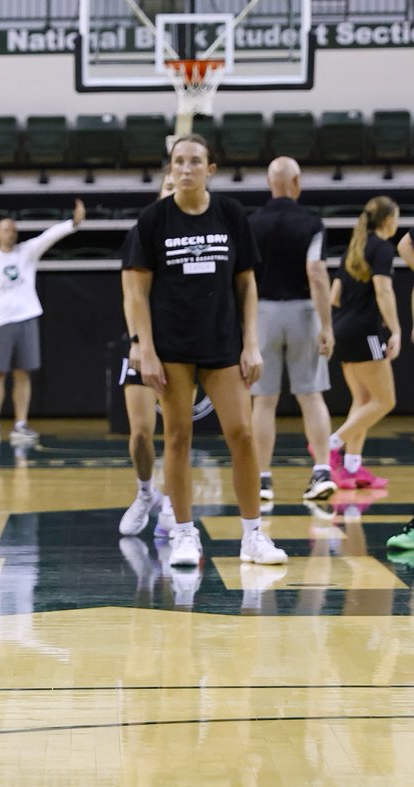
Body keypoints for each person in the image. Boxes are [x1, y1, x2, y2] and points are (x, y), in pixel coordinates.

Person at [124, 134, 287, 569]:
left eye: (195, 161)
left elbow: (247, 283)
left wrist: (251, 342)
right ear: (171, 168)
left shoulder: (231, 214)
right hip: (172, 347)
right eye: (179, 161)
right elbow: (137, 293)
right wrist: (147, 348)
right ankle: (182, 534)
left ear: (210, 169)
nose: (186, 168)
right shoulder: (153, 219)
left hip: (223, 345)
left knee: (243, 435)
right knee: (177, 437)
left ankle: (253, 535)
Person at [247, 156, 338, 505]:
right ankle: (321, 471)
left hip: (263, 312)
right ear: (296, 182)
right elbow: (316, 273)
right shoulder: (311, 223)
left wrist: (246, 328)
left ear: (270, 184)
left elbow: (245, 278)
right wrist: (326, 325)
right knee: (311, 395)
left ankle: (262, 480)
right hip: (302, 312)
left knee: (264, 400)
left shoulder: (252, 223)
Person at [0, 201, 85, 445]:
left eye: (13, 228)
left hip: (27, 318)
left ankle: (20, 424)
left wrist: (72, 224)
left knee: (23, 373)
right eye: (6, 228)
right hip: (1, 321)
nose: (11, 231)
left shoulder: (27, 252)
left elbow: (49, 236)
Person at [326, 196, 402, 490]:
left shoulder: (354, 249)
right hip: (365, 332)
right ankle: (331, 445)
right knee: (385, 401)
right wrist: (395, 330)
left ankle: (352, 468)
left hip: (342, 329)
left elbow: (334, 296)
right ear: (388, 221)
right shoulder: (381, 247)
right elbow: (383, 292)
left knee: (363, 401)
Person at [118, 174, 175, 536]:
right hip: (144, 340)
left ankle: (172, 499)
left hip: (183, 344)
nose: (172, 191)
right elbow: (130, 292)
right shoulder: (141, 232)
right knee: (140, 433)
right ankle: (145, 492)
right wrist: (139, 340)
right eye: (166, 186)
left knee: (176, 430)